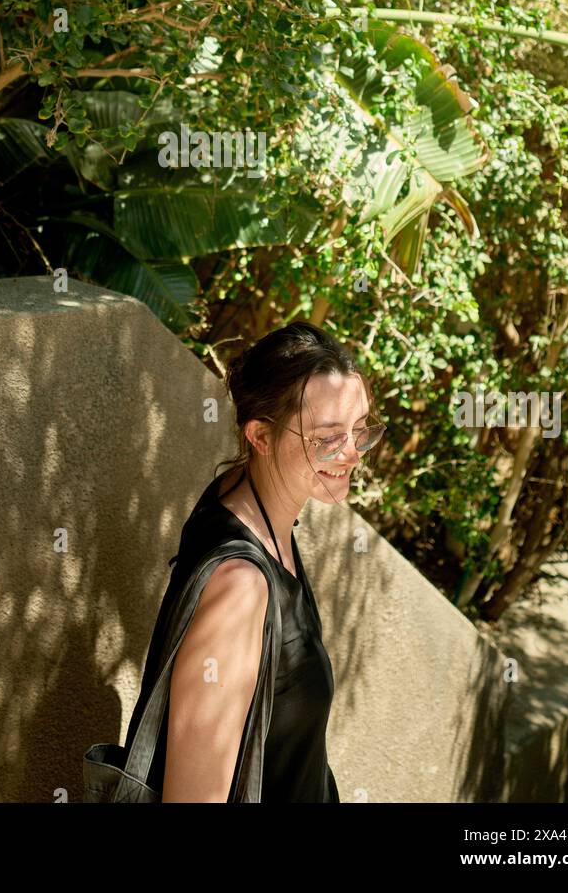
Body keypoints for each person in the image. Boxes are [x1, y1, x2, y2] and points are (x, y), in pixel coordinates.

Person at [122, 320, 386, 802]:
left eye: (361, 429)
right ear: (260, 436)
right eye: (328, 437)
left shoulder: (247, 498)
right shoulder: (240, 588)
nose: (351, 455)